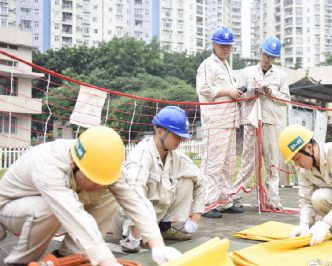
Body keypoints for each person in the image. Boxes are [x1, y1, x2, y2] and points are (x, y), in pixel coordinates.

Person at [0, 126, 181, 266]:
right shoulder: (49, 166)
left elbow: (136, 201)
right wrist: (106, 261)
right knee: (48, 209)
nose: (98, 185)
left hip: (50, 203)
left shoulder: (106, 164)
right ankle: (20, 261)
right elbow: (75, 216)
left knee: (111, 193)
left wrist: (157, 245)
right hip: (10, 207)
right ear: (74, 164)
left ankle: (71, 255)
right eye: (93, 179)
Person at [110, 106, 207, 253]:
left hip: (152, 218)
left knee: (188, 181)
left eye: (181, 137)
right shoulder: (141, 156)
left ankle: (164, 228)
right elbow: (133, 194)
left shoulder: (176, 156)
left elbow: (202, 181)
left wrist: (195, 219)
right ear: (159, 131)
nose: (179, 140)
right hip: (127, 220)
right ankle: (134, 235)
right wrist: (135, 235)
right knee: (138, 189)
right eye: (176, 135)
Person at [278, 124, 332, 246]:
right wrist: (304, 224)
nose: (297, 164)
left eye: (297, 158)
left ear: (308, 148)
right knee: (318, 198)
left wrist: (326, 223)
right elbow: (306, 200)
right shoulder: (305, 170)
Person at [232, 36, 290, 210]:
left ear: (275, 59)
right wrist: (250, 91)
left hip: (271, 123)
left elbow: (285, 100)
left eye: (271, 57)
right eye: (265, 55)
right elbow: (238, 96)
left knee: (272, 163)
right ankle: (235, 197)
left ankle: (274, 199)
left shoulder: (280, 75)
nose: (267, 60)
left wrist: (270, 91)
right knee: (248, 162)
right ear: (260, 53)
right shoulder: (247, 72)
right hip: (251, 122)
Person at [196, 26, 244, 218]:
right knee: (212, 162)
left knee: (228, 163)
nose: (225, 49)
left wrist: (237, 92)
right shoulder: (207, 65)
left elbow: (228, 90)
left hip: (230, 120)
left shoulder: (226, 66)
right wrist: (228, 92)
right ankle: (207, 203)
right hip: (215, 120)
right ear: (214, 44)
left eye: (228, 46)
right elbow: (204, 89)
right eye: (222, 45)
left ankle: (224, 200)